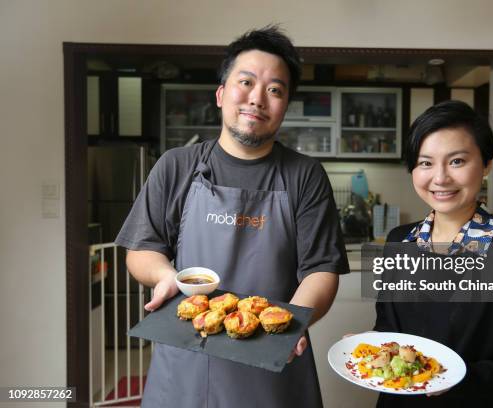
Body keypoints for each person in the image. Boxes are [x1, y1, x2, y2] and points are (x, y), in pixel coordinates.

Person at [116, 26, 349, 408]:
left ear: (284, 106)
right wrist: (165, 277)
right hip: (187, 359)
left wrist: (291, 324)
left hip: (274, 362)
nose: (258, 98)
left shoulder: (304, 175)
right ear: (222, 94)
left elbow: (321, 269)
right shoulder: (177, 166)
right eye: (246, 82)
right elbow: (142, 251)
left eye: (275, 89)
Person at [373, 101, 493, 407]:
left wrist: (459, 377)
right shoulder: (401, 241)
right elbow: (389, 328)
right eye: (425, 163)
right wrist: (372, 349)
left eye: (457, 161)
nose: (440, 178)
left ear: (486, 164)